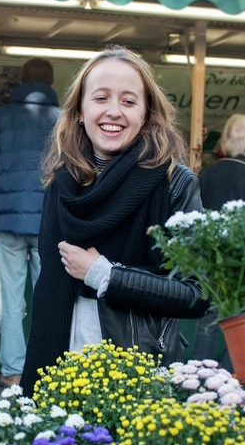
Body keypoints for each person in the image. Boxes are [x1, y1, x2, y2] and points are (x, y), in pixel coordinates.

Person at [20, 45, 209, 395]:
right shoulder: (61, 183)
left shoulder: (175, 183)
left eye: (128, 101)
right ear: (80, 111)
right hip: (61, 370)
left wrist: (106, 275)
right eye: (101, 98)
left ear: (146, 113)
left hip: (138, 376)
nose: (114, 111)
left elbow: (196, 293)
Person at [0, 58, 62, 388]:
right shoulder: (63, 119)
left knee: (12, 299)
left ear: (21, 83)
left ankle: (13, 371)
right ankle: (46, 370)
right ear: (51, 84)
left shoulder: (1, 117)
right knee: (48, 299)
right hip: (49, 224)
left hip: (9, 222)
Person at [194, 114, 245, 368]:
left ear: (227, 139)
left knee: (208, 319)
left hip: (210, 256)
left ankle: (200, 375)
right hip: (244, 264)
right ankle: (230, 377)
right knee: (239, 320)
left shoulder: (207, 174)